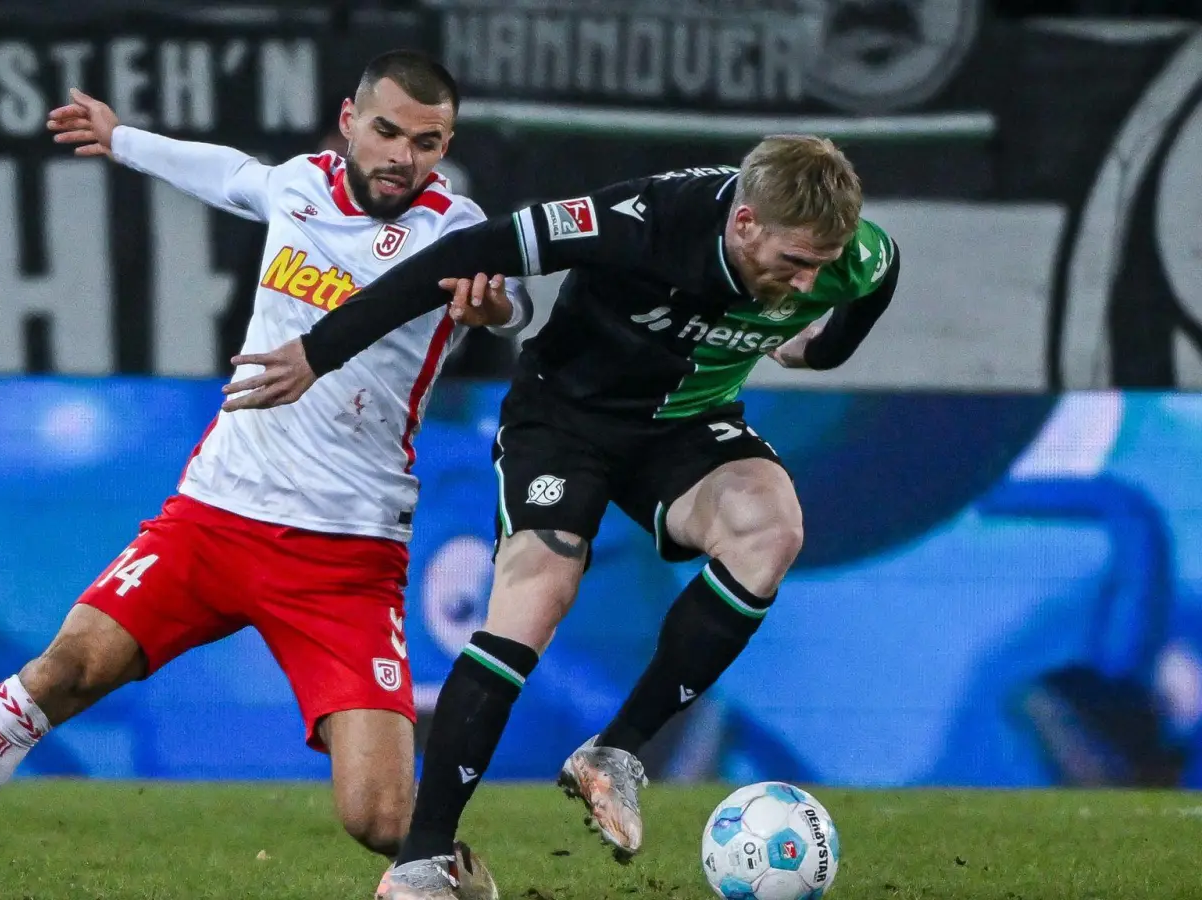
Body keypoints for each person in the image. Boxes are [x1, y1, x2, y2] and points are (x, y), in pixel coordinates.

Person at [0, 50, 529, 900]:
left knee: (383, 821)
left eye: (427, 142)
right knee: (61, 670)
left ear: (446, 144)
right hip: (213, 519)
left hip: (344, 555)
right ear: (350, 121)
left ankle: (457, 876)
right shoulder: (299, 186)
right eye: (386, 131)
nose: (402, 157)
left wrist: (497, 309)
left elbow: (520, 307)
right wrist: (121, 137)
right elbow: (230, 173)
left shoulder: (454, 231)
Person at [221, 136, 902, 899]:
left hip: (682, 424)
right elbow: (471, 246)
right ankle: (420, 861)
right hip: (565, 420)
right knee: (536, 597)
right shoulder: (640, 220)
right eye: (797, 262)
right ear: (744, 222)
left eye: (824, 263)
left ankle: (615, 754)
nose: (811, 279)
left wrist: (817, 352)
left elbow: (866, 292)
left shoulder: (857, 255)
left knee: (770, 529)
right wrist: (320, 348)